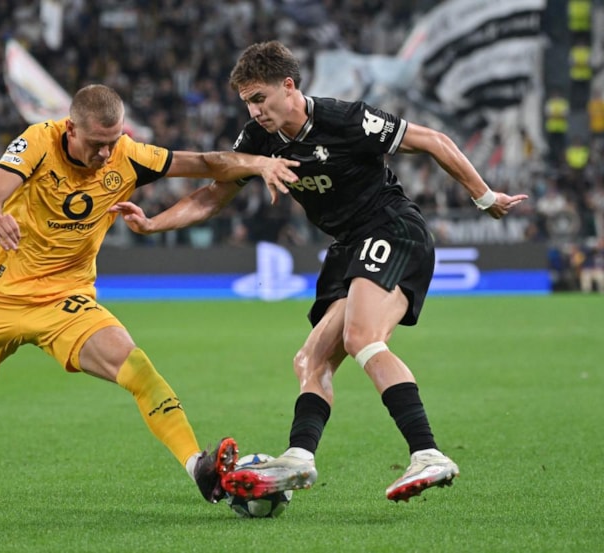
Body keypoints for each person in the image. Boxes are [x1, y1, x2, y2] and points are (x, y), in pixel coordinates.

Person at [0, 84, 299, 507]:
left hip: (67, 300)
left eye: (113, 141)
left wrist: (260, 163)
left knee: (137, 368)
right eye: (96, 144)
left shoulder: (129, 155)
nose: (105, 154)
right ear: (71, 129)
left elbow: (207, 164)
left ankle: (197, 467)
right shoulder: (38, 141)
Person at [110, 41, 528, 502]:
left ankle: (428, 453)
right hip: (348, 247)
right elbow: (213, 195)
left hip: (391, 228)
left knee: (361, 336)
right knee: (310, 361)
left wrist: (485, 196)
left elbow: (433, 141)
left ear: (288, 86)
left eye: (260, 98)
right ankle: (300, 457)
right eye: (247, 102)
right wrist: (153, 223)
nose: (254, 111)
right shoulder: (258, 140)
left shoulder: (346, 119)